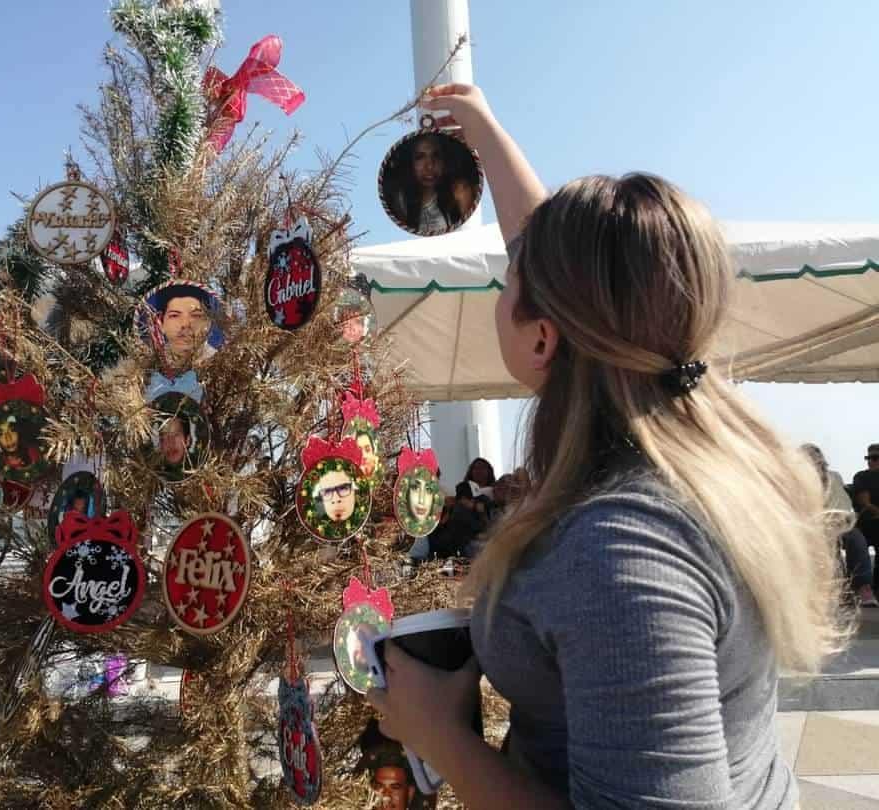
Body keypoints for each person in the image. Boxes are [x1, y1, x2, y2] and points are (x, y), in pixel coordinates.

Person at [367, 83, 845, 809]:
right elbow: (551, 255)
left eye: (509, 278)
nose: (509, 268)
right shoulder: (712, 469)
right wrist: (482, 128)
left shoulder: (618, 549)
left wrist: (440, 738)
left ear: (542, 334)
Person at [802, 444, 879, 606]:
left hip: (840, 521)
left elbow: (842, 503)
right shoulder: (798, 480)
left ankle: (863, 588)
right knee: (828, 540)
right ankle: (837, 590)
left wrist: (842, 519)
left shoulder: (834, 477)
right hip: (814, 525)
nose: (815, 463)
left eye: (817, 459)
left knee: (856, 539)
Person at [388, 133, 476, 236]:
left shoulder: (459, 191)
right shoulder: (402, 199)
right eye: (420, 157)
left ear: (444, 161)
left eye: (436, 156)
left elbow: (468, 233)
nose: (429, 166)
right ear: (410, 163)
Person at [852, 444, 879, 561]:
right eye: (868, 458)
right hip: (865, 523)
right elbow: (865, 503)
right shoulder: (861, 476)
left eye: (875, 458)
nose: (870, 461)